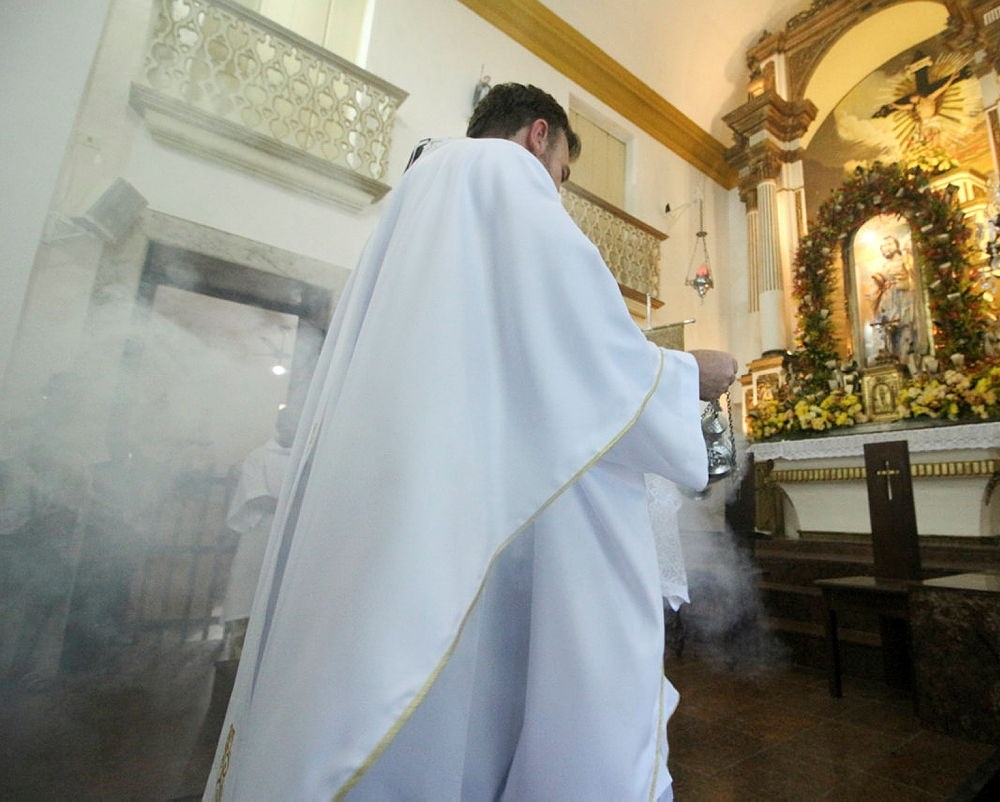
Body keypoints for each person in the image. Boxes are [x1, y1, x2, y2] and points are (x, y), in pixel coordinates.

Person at [204, 82, 737, 801]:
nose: (559, 192)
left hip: (401, 485)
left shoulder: (416, 198)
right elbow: (582, 345)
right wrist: (684, 375)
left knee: (395, 682)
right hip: (471, 507)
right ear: (537, 137)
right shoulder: (498, 171)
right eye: (565, 175)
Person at [219, 404, 299, 660]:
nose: (292, 429)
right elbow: (256, 498)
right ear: (279, 425)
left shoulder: (304, 459)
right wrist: (295, 509)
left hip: (291, 538)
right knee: (249, 599)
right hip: (260, 537)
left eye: (296, 423)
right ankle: (237, 659)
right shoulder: (258, 456)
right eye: (287, 423)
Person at [869, 235, 917, 360]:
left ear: (896, 245)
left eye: (889, 244)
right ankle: (892, 356)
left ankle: (906, 358)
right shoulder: (883, 266)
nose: (886, 248)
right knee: (887, 330)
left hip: (903, 297)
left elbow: (912, 275)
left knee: (905, 327)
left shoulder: (904, 260)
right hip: (888, 299)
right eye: (884, 246)